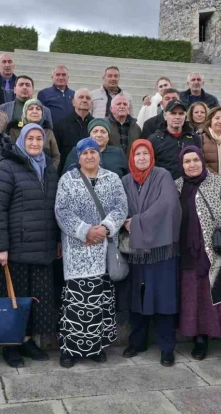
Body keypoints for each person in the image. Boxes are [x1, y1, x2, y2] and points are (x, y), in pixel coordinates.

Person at [0, 124, 60, 368]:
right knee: (14, 299)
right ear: (21, 140)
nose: (35, 143)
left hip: (43, 247)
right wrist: (1, 247)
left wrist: (57, 240)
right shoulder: (7, 167)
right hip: (17, 248)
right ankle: (11, 346)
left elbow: (55, 207)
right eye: (30, 138)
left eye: (39, 138)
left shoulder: (49, 167)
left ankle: (28, 340)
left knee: (36, 299)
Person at [175, 146, 221, 372]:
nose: (192, 165)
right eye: (187, 161)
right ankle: (200, 339)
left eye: (195, 160)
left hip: (217, 252)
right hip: (188, 254)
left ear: (202, 160)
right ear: (181, 165)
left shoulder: (220, 183)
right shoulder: (177, 186)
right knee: (195, 298)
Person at [54, 137, 128, 368]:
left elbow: (121, 207)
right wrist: (85, 231)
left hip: (104, 248)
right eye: (84, 153)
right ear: (78, 157)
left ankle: (97, 347)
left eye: (93, 152)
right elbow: (61, 211)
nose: (89, 156)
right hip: (78, 250)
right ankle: (69, 349)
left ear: (99, 155)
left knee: (100, 300)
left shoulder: (112, 178)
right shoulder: (68, 180)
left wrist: (104, 228)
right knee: (76, 302)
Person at [120, 140, 182, 366]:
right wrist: (125, 221)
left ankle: (167, 347)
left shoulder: (162, 175)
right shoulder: (126, 181)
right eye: (137, 154)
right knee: (137, 296)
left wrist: (136, 222)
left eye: (145, 153)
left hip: (161, 249)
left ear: (152, 156)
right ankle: (137, 342)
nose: (142, 158)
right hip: (136, 250)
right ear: (131, 157)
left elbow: (168, 205)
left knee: (164, 297)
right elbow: (119, 206)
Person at [149, 100, 201, 180]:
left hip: (189, 184)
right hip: (164, 184)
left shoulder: (194, 137)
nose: (177, 117)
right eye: (173, 113)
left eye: (181, 114)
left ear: (185, 116)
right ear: (165, 115)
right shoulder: (154, 139)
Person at [5, 99, 61, 169]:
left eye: (38, 109)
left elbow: (56, 156)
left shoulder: (48, 131)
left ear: (42, 113)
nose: (35, 111)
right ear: (25, 112)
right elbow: (12, 154)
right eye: (30, 109)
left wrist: (50, 169)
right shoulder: (15, 130)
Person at [54, 88, 94, 162]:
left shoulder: (96, 126)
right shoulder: (60, 125)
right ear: (73, 102)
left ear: (91, 104)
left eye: (88, 98)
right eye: (81, 97)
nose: (84, 100)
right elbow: (56, 153)